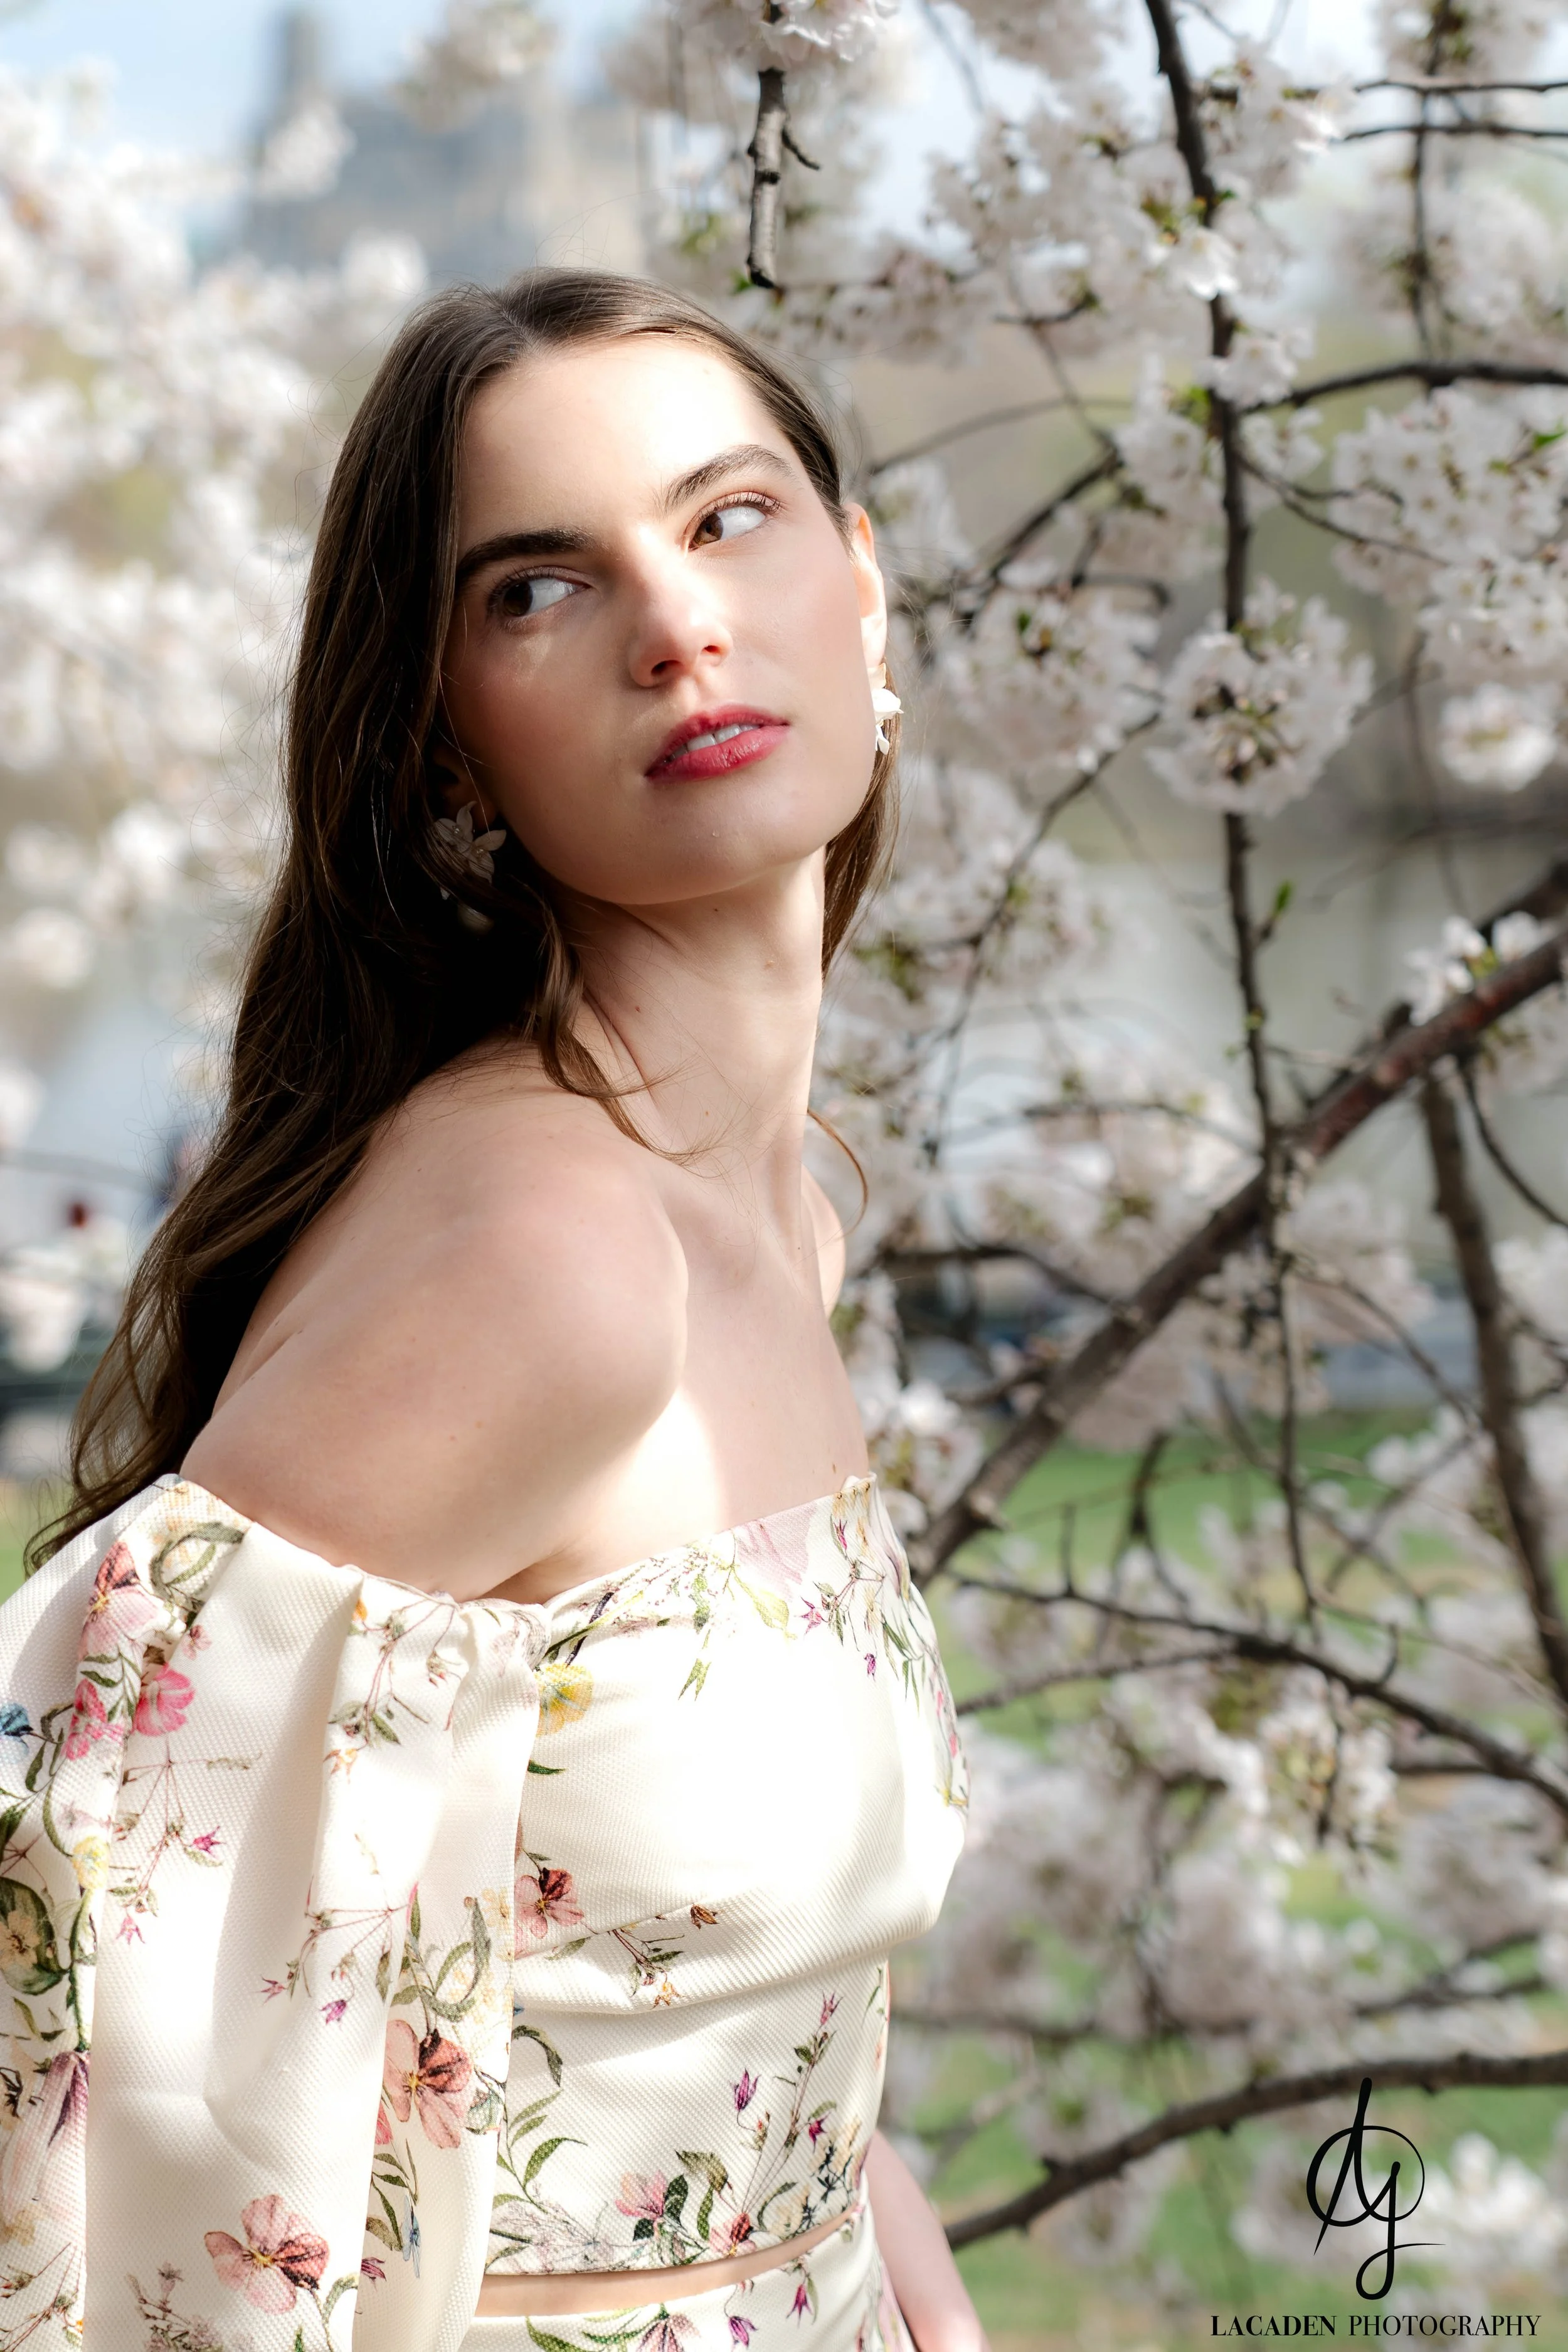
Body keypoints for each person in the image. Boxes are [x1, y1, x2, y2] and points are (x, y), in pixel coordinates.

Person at [0, 272, 981, 2352]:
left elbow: (653, 1952)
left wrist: (858, 2214)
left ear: (863, 592)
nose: (674, 623)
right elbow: (61, 1929)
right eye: (539, 586)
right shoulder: (557, 1253)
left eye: (726, 520)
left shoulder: (770, 1208)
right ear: (447, 731)